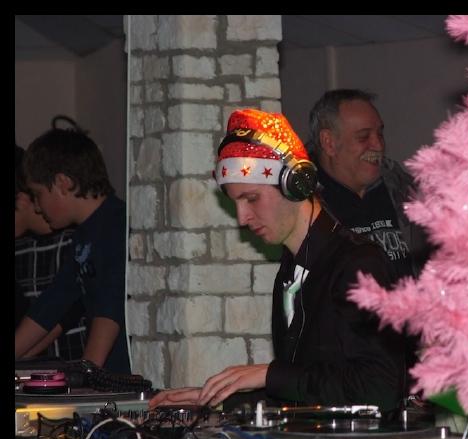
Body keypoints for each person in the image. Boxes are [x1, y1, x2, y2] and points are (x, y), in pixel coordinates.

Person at [149, 109, 407, 416]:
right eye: (235, 203)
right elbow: (305, 394)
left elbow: (380, 388)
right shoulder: (290, 273)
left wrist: (270, 374)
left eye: (251, 198)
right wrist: (220, 402)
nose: (242, 218)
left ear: (295, 183)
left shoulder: (359, 265)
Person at [15, 128, 131, 375]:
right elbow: (54, 301)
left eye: (38, 195)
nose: (37, 207)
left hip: (123, 376)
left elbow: (112, 303)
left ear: (62, 183)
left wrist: (87, 372)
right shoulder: (83, 234)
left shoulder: (117, 223)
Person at [306, 88, 434, 281]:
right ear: (329, 142)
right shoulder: (303, 209)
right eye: (364, 136)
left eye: (380, 134)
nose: (379, 145)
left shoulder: (407, 193)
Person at [15, 141, 88, 360]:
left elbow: (69, 307)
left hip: (74, 365)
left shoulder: (76, 239)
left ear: (22, 199)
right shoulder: (20, 247)